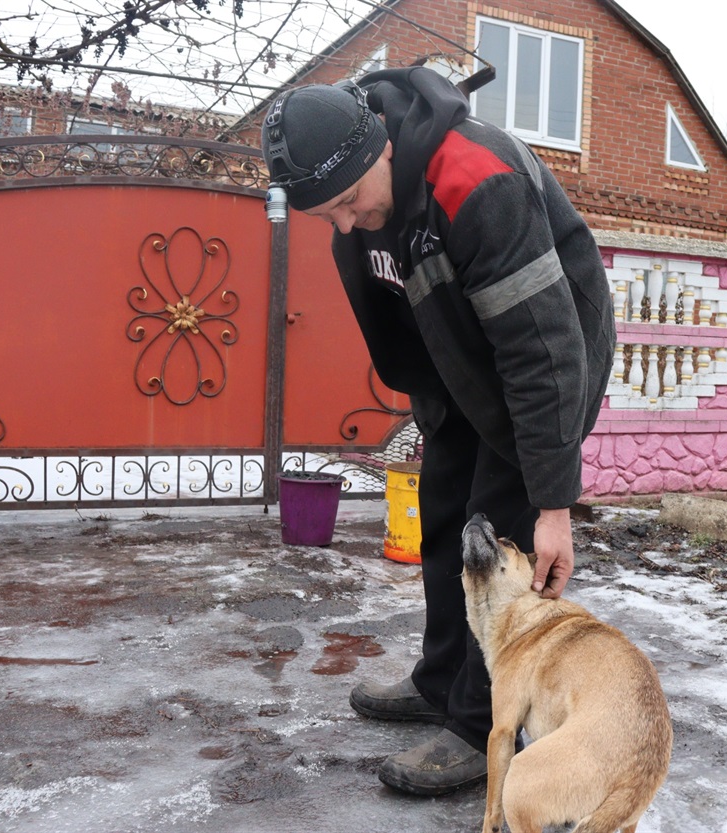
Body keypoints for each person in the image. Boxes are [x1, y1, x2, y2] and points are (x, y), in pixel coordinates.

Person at [261, 66, 615, 796]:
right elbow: (409, 324)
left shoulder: (474, 179)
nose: (346, 224)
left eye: (349, 202)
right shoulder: (364, 210)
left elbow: (541, 350)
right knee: (444, 519)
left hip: (545, 365)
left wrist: (553, 506)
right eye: (327, 215)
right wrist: (435, 413)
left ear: (382, 149)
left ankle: (482, 724)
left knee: (497, 540)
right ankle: (440, 679)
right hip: (464, 369)